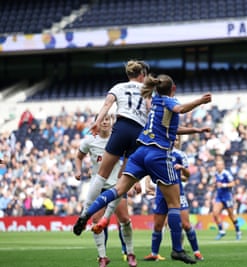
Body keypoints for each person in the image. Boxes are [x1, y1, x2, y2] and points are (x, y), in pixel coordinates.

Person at [73, 73, 212, 264]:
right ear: (174, 88)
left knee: (118, 190)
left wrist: (195, 130)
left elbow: (170, 127)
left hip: (140, 153)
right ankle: (177, 250)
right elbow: (180, 108)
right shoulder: (169, 101)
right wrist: (200, 102)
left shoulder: (154, 101)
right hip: (159, 155)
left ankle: (86, 214)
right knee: (174, 204)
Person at [74, 114, 136, 267]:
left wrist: (132, 180)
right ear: (97, 122)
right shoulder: (89, 140)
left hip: (116, 185)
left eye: (108, 120)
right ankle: (102, 256)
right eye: (102, 120)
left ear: (111, 122)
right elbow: (78, 156)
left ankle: (130, 253)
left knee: (125, 220)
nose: (105, 122)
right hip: (98, 186)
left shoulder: (117, 138)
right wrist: (77, 170)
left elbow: (130, 158)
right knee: (96, 221)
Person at [143, 135, 204, 262]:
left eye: (177, 139)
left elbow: (187, 175)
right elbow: (149, 169)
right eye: (173, 139)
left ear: (179, 142)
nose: (174, 141)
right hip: (161, 193)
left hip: (178, 193)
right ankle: (154, 253)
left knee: (186, 224)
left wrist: (181, 169)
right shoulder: (158, 153)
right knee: (158, 225)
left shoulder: (180, 155)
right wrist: (147, 184)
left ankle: (197, 252)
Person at [213, 158, 242, 240]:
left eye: (220, 165)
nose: (218, 166)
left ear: (223, 166)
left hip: (227, 197)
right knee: (215, 213)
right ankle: (222, 231)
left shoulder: (226, 173)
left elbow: (233, 183)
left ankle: (238, 231)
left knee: (231, 215)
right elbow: (217, 183)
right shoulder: (216, 174)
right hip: (219, 196)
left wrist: (223, 185)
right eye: (217, 165)